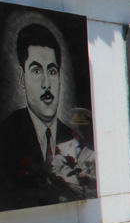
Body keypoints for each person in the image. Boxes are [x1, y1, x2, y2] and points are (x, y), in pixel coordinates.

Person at [0, 21, 96, 207]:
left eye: (52, 71)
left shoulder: (75, 139)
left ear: (60, 78)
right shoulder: (6, 135)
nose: (46, 84)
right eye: (36, 71)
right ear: (22, 79)